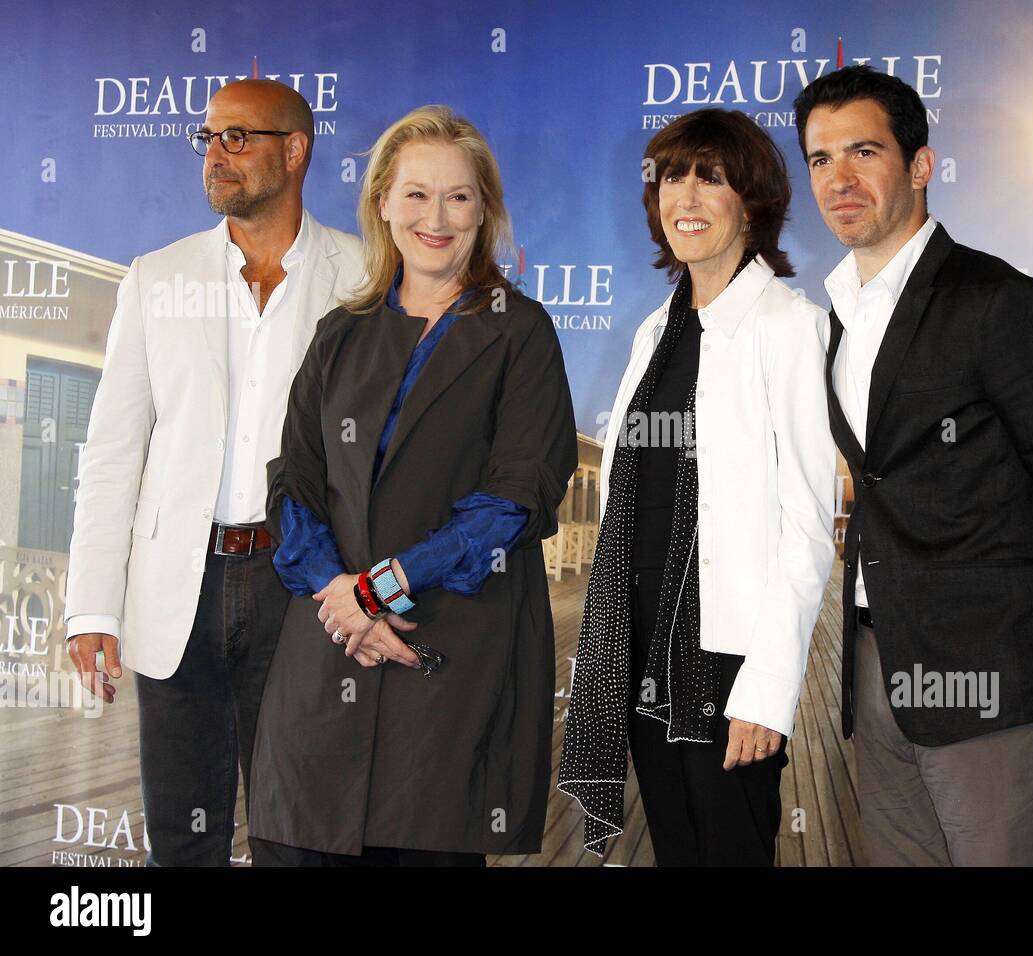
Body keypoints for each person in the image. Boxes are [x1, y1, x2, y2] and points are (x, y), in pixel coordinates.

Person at [793, 65, 1033, 866]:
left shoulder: (1001, 301)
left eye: (863, 152)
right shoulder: (838, 315)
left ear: (921, 165)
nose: (838, 179)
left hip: (994, 672)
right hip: (877, 661)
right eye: (820, 158)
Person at [245, 105, 577, 867]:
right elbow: (294, 481)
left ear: (485, 211)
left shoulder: (519, 332)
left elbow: (513, 499)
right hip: (325, 658)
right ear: (382, 203)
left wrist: (379, 591)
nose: (436, 217)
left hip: (448, 663)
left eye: (459, 196)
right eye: (417, 194)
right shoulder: (341, 333)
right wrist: (339, 593)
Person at [63, 79, 364, 866]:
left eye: (239, 138)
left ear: (295, 151)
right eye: (209, 138)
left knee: (299, 834)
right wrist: (92, 601)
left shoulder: (366, 278)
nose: (216, 156)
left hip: (304, 587)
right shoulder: (155, 277)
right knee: (183, 837)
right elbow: (113, 449)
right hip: (177, 588)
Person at [558, 109, 837, 866]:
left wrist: (768, 689)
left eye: (709, 177)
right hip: (641, 641)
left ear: (751, 201)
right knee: (679, 852)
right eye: (671, 177)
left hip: (728, 658)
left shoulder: (790, 327)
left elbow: (809, 528)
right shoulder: (656, 333)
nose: (684, 194)